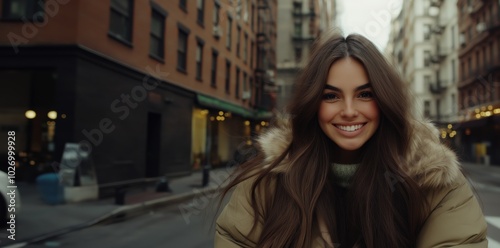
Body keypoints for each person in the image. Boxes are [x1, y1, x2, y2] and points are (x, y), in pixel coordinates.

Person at [214, 32, 487, 247]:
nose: (348, 111)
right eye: (331, 96)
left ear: (384, 101)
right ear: (313, 104)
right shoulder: (267, 180)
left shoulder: (436, 182)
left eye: (365, 94)